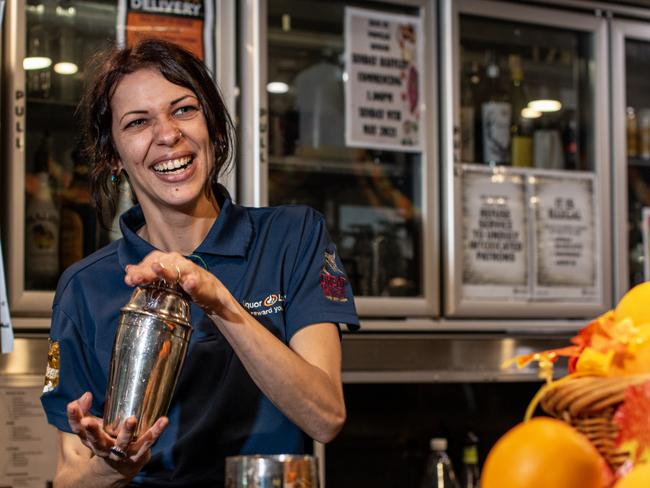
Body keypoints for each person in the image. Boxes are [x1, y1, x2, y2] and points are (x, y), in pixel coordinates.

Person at [40, 38, 359, 487]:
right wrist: (112, 466)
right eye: (137, 122)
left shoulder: (292, 236)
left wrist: (217, 300)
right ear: (114, 155)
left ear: (213, 126)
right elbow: (70, 475)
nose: (168, 134)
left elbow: (325, 415)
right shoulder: (84, 287)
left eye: (184, 110)